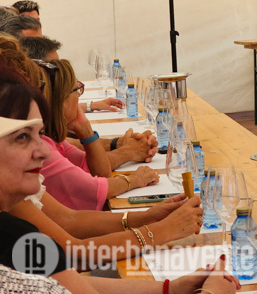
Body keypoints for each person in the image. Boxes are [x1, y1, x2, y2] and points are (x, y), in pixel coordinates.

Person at [0, 66, 240, 293]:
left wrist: (169, 287)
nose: (43, 150)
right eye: (22, 137)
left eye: (40, 134)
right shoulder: (13, 236)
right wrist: (162, 231)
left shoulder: (11, 228)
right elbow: (74, 252)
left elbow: (67, 278)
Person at [38, 58, 159, 210]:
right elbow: (94, 188)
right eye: (77, 90)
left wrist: (86, 130)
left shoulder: (54, 140)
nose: (79, 96)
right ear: (62, 100)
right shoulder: (42, 147)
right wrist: (134, 180)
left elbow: (100, 172)